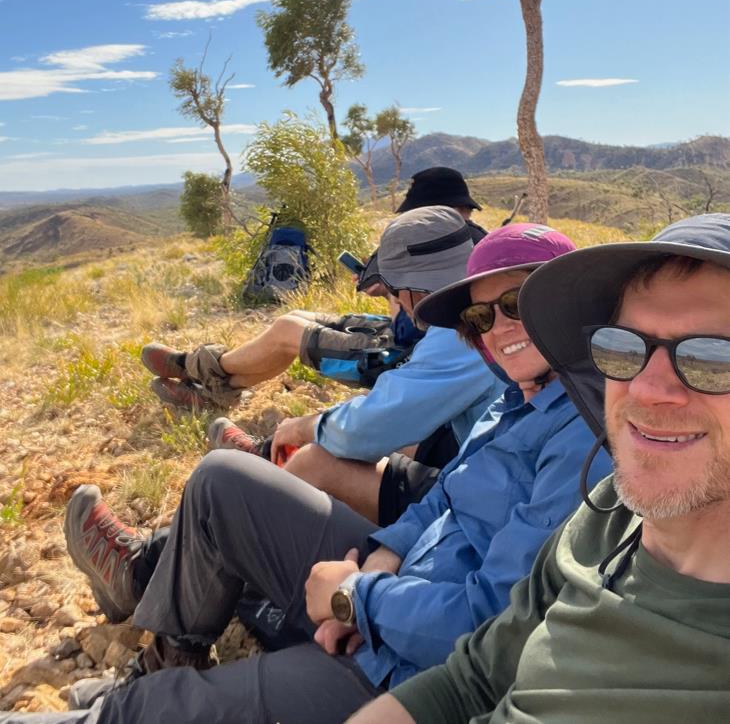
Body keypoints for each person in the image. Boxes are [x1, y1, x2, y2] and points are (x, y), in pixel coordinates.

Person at [2, 222, 611, 724]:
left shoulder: (586, 442)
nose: (498, 328)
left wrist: (357, 601)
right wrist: (380, 561)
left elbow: (496, 626)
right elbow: (443, 498)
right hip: (398, 597)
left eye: (516, 305)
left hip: (417, 673)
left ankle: (133, 699)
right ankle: (170, 656)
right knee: (223, 480)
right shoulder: (518, 397)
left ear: (568, 303)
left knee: (150, 711)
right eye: (478, 318)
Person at [347, 212, 730, 724]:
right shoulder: (604, 511)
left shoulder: (584, 454)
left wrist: (356, 598)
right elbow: (472, 676)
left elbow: (476, 622)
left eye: (712, 358)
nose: (646, 388)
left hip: (400, 642)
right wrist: (381, 562)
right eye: (622, 346)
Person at [146, 206, 504, 526]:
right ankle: (248, 431)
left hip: (484, 496)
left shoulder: (459, 333)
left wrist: (306, 426)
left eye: (395, 291)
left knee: (318, 459)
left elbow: (373, 427)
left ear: (413, 290)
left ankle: (174, 548)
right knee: (367, 426)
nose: (395, 300)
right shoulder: (475, 306)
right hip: (476, 455)